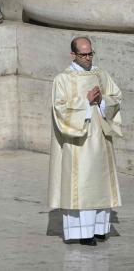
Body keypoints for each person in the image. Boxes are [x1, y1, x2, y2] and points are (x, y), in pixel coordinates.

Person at [48, 36, 122, 246]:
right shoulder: (63, 79)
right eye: (83, 54)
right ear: (73, 54)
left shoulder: (100, 74)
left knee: (100, 184)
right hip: (78, 143)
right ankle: (82, 232)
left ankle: (100, 228)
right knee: (82, 184)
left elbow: (116, 96)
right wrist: (86, 102)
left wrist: (103, 101)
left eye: (90, 53)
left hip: (100, 139)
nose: (88, 58)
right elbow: (59, 109)